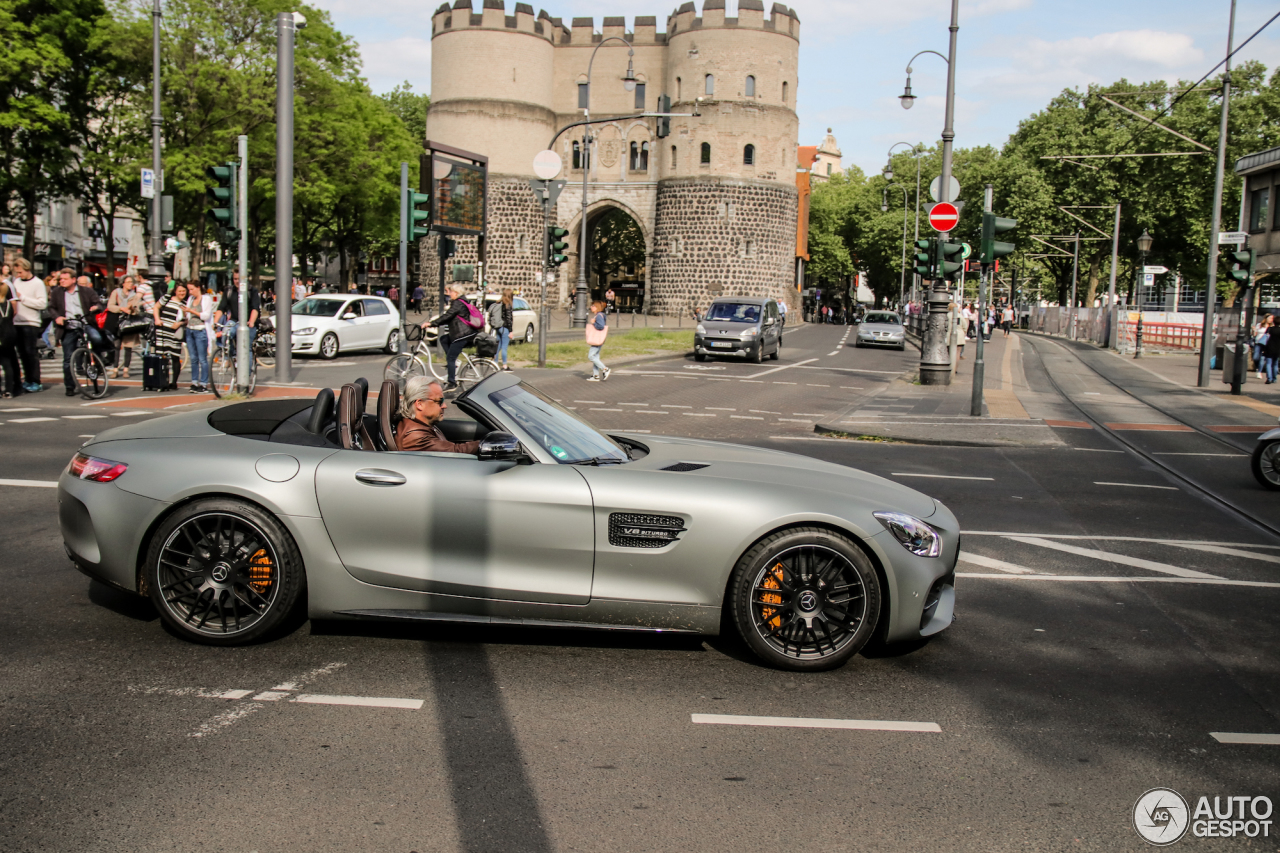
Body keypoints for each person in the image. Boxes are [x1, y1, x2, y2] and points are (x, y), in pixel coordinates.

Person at [50, 268, 102, 396]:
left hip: (85, 323)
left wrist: (95, 308)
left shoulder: (86, 291)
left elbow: (99, 304)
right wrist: (57, 317)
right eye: (60, 279)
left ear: (74, 280)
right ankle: (69, 386)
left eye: (65, 279)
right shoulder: (57, 292)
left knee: (97, 338)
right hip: (68, 326)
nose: (62, 281)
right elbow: (51, 307)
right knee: (68, 358)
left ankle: (98, 361)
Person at [396, 376, 481, 455]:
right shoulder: (416, 437)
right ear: (420, 404)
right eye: (440, 401)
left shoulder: (419, 424)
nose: (445, 406)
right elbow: (455, 452)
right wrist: (488, 445)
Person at [422, 284, 481, 390]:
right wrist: (436, 323)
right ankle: (455, 363)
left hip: (462, 335)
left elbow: (447, 316)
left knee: (450, 358)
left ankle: (451, 382)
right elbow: (449, 317)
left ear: (456, 293)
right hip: (462, 333)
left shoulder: (458, 303)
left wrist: (431, 324)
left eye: (451, 292)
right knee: (443, 339)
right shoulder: (461, 302)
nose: (449, 294)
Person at [9, 258, 47, 393]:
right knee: (22, 353)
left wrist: (23, 298)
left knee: (30, 352)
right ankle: (27, 379)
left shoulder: (37, 283)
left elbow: (42, 304)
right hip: (16, 321)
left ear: (27, 269)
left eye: (20, 272)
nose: (19, 275)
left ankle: (35, 380)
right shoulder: (16, 282)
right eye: (17, 273)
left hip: (31, 322)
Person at [106, 275, 144, 379]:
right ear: (123, 283)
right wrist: (121, 308)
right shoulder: (116, 292)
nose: (130, 284)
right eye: (128, 282)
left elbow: (137, 310)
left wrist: (133, 310)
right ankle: (115, 369)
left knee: (128, 347)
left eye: (131, 282)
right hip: (117, 322)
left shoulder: (134, 295)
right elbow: (110, 306)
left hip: (129, 323)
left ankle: (126, 369)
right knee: (117, 346)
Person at [152, 282, 187, 391]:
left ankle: (174, 382)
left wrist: (180, 323)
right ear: (175, 291)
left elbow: (187, 319)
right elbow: (156, 307)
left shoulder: (186, 303)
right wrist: (157, 319)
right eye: (180, 291)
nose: (182, 293)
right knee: (162, 357)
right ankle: (162, 381)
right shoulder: (167, 298)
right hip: (163, 330)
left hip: (175, 333)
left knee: (175, 357)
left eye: (184, 291)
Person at [214, 271, 260, 353]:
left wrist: (251, 322)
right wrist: (215, 322)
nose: (237, 281)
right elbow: (221, 308)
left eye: (239, 279)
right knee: (225, 336)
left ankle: (246, 364)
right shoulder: (229, 291)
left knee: (245, 349)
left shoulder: (252, 291)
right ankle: (231, 357)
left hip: (247, 322)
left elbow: (255, 308)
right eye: (235, 279)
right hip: (234, 321)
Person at [182, 280, 212, 392]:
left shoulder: (206, 299)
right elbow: (188, 315)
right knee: (193, 358)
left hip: (200, 330)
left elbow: (206, 315)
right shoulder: (191, 299)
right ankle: (194, 382)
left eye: (192, 289)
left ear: (198, 288)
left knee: (202, 358)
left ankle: (203, 383)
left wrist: (191, 311)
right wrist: (185, 312)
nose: (190, 292)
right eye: (189, 289)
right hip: (190, 329)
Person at [0, 279, 18, 397]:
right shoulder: (9, 304)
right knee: (8, 362)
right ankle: (9, 389)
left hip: (1, 334)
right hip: (10, 333)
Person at [489, 289, 514, 372]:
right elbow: (509, 319)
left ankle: (495, 364)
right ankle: (505, 366)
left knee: (498, 346)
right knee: (504, 347)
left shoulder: (498, 303)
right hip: (505, 328)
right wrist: (510, 331)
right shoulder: (507, 305)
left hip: (498, 327)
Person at [585, 299, 610, 382]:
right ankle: (596, 375)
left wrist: (593, 323)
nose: (591, 307)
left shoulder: (599, 316)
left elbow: (601, 326)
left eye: (593, 306)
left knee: (591, 356)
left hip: (597, 338)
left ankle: (605, 369)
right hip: (599, 339)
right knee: (596, 356)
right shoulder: (599, 315)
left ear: (597, 307)